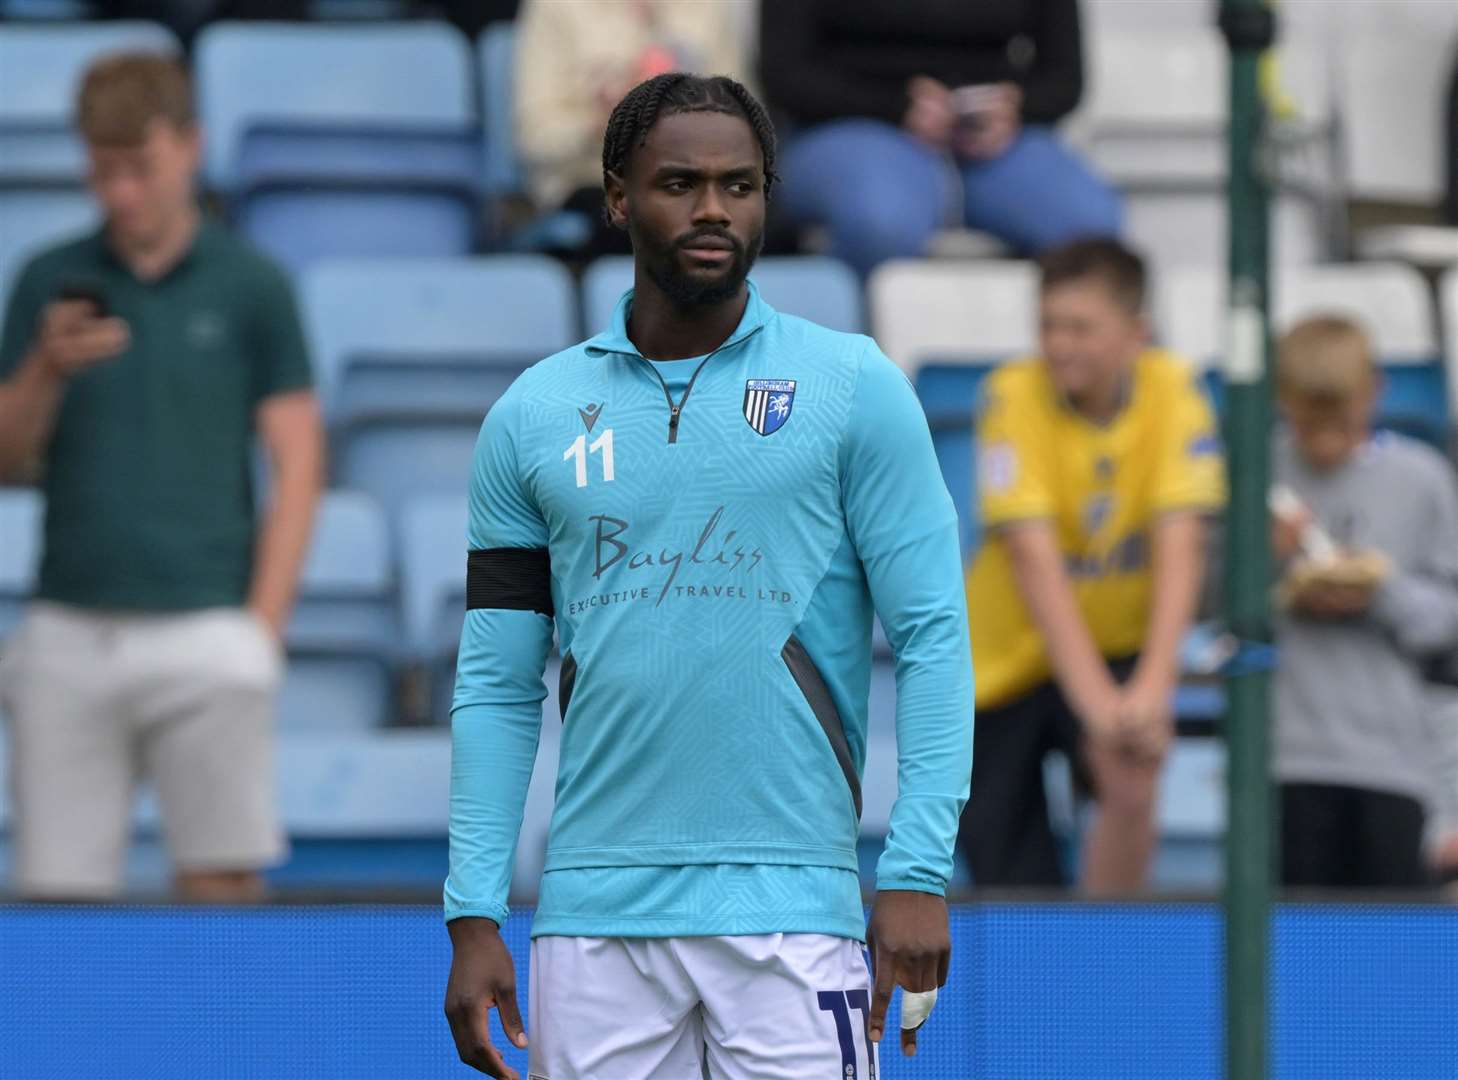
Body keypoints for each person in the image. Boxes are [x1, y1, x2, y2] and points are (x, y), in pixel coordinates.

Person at [442, 73, 973, 1079]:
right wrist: (473, 910)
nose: (713, 211)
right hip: (594, 923)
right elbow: (498, 683)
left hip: (794, 916)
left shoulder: (855, 389)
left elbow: (938, 638)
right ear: (616, 197)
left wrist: (916, 868)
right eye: (679, 183)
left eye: (740, 185)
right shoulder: (531, 416)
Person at [0, 54, 321, 900]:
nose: (120, 194)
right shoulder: (44, 281)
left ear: (190, 146)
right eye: (103, 172)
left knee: (222, 892)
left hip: (210, 629)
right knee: (55, 909)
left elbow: (299, 457)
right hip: (69, 628)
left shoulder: (252, 283)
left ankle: (229, 1042)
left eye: (138, 168)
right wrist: (44, 367)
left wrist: (263, 627)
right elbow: (5, 456)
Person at [958, 239, 1224, 894]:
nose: (1059, 344)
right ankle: (1036, 986)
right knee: (1009, 871)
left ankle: (1112, 962)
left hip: (1117, 646)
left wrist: (1151, 691)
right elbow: (1031, 557)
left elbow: (1181, 544)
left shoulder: (1175, 391)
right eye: (1048, 325)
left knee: (1132, 778)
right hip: (1001, 665)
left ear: (1137, 334)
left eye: (1080, 328)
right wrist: (1100, 704)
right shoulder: (1012, 394)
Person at [1269, 316, 1458, 890]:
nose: (1326, 442)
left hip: (1393, 764)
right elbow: (1215, 612)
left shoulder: (1421, 478)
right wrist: (1267, 561)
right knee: (1293, 957)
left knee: (1389, 956)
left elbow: (1444, 625)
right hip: (1284, 761)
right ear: (1284, 403)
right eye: (1310, 424)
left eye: (1342, 424)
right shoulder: (1258, 473)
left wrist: (1377, 590)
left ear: (1374, 392)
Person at [759, 0, 1121, 276]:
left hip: (992, 138)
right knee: (882, 222)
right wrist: (895, 106)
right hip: (848, 123)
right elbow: (784, 73)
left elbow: (1064, 80)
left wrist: (1015, 106)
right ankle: (850, 365)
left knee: (1089, 227)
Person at [514, 0, 749, 258]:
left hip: (696, 176)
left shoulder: (709, 7)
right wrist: (604, 124)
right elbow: (533, 139)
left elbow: (741, 120)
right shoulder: (554, 7)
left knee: (757, 223)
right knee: (648, 220)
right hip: (593, 178)